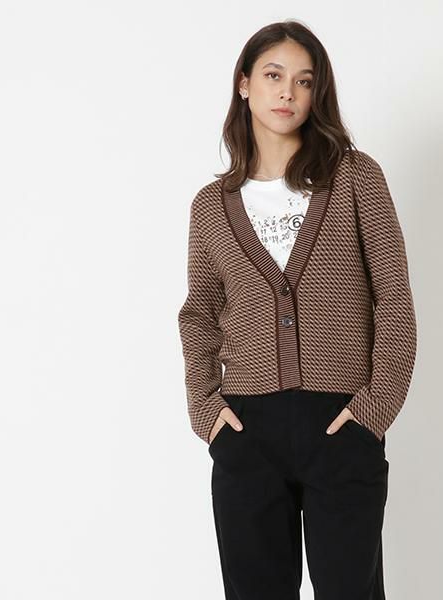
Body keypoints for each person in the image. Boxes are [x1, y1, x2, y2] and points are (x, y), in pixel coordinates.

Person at [177, 19, 417, 600]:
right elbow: (200, 314)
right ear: (244, 84)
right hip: (247, 431)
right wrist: (206, 410)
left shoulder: (356, 178)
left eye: (304, 81)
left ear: (316, 93)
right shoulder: (212, 206)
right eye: (273, 75)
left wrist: (373, 411)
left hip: (342, 423)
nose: (287, 92)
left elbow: (394, 300)